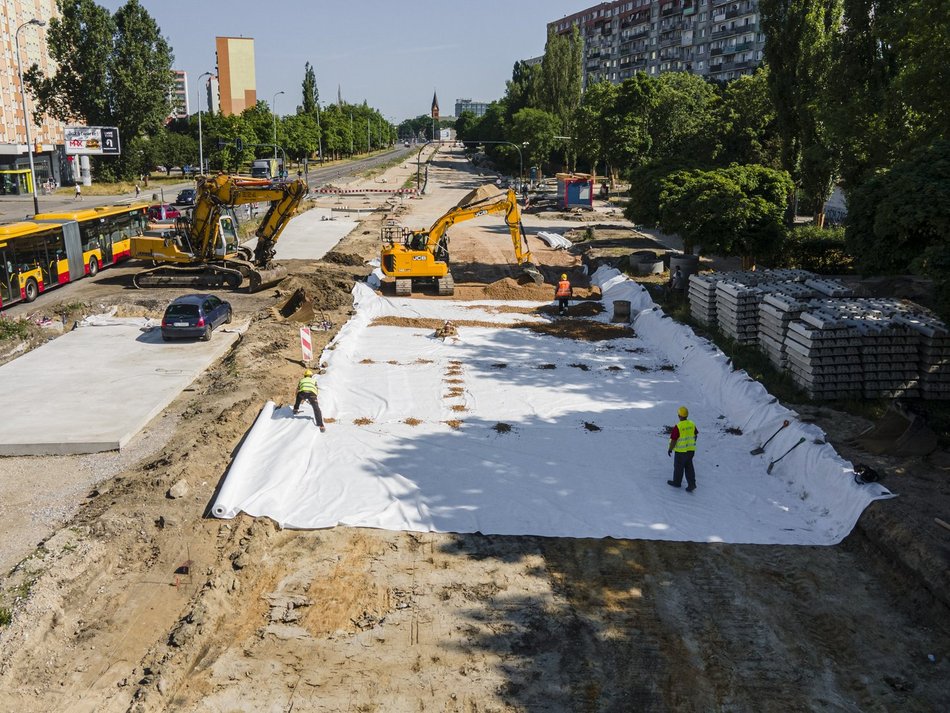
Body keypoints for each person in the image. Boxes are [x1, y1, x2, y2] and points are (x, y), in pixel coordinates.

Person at [668, 406, 698, 492]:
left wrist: (670, 449)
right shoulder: (692, 424)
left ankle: (677, 482)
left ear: (679, 416)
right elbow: (695, 435)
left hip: (680, 452)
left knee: (678, 467)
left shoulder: (678, 427)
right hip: (691, 450)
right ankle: (692, 484)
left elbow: (674, 440)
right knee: (689, 467)